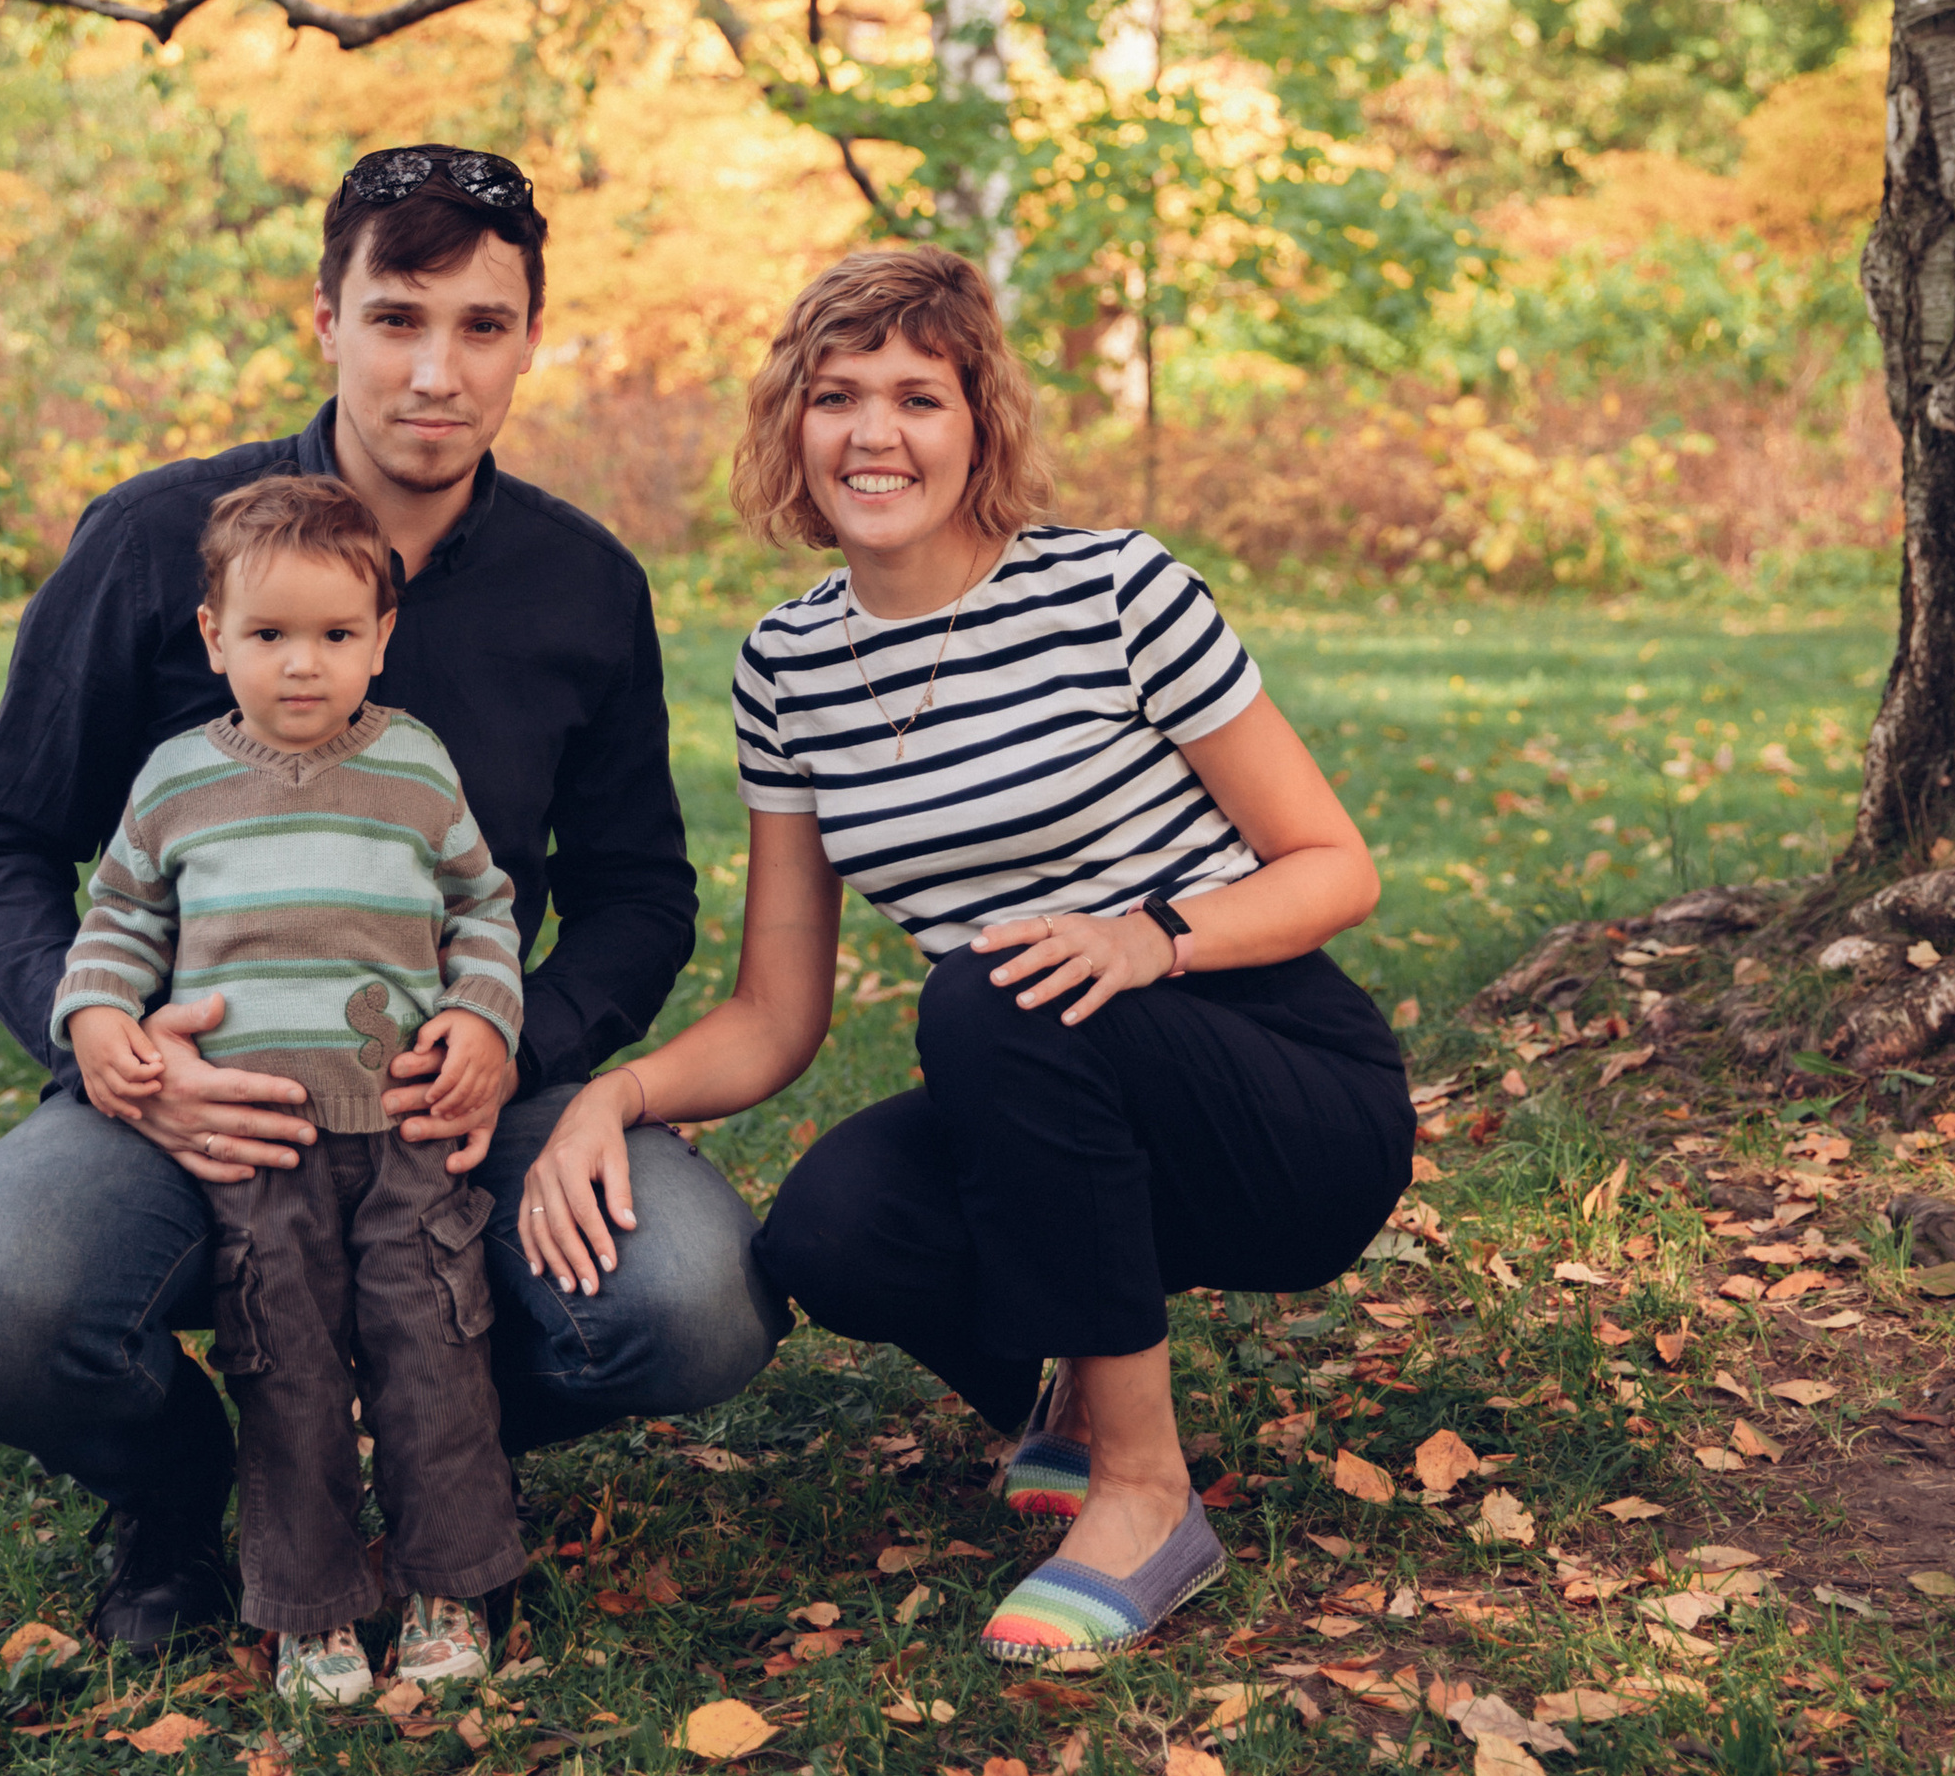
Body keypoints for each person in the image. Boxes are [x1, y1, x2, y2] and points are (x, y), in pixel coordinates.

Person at [0, 147, 784, 1652]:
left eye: (482, 326)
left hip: (456, 1092)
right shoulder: (159, 540)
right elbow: (0, 844)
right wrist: (108, 1045)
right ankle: (194, 1487)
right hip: (200, 1090)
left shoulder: (582, 587)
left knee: (693, 1300)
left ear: (527, 341)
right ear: (326, 320)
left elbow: (639, 889)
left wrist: (528, 1040)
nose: (437, 371)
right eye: (396, 317)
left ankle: (449, 1478)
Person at [513, 244, 1412, 1669]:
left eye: (920, 397)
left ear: (982, 423)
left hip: (1279, 1082)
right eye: (836, 396)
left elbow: (1334, 868)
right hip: (1042, 1075)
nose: (875, 434)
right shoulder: (785, 667)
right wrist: (609, 1099)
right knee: (831, 1230)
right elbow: (776, 1007)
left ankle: (1146, 1496)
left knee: (995, 991)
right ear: (789, 430)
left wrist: (1148, 937)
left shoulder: (1117, 590)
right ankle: (1069, 1395)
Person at [55, 473, 526, 1705]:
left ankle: (448, 1581)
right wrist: (99, 1015)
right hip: (257, 1148)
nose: (302, 667)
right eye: (267, 636)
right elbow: (116, 916)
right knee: (289, 1364)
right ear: (214, 638)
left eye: (334, 635)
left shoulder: (416, 770)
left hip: (409, 1135)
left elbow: (482, 906)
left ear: (382, 634)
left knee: (431, 1348)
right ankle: (312, 1605)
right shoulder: (177, 781)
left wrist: (482, 1017)